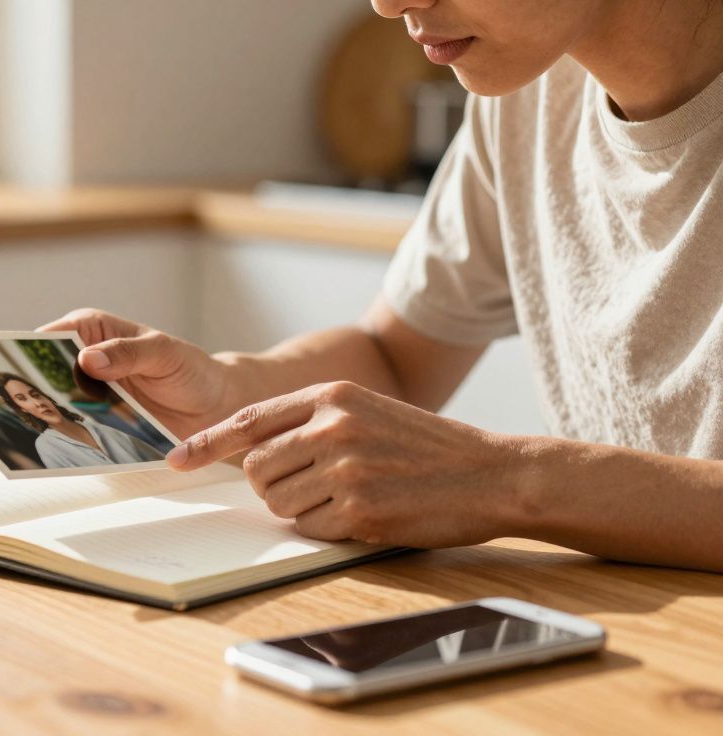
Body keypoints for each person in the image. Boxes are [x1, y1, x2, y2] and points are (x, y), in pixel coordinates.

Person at [42, 0, 723, 573]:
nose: (388, 3)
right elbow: (394, 357)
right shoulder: (530, 102)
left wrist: (507, 479)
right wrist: (229, 395)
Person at [0, 372, 165, 469]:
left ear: (46, 397)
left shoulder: (97, 428)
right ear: (21, 408)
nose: (37, 403)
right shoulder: (47, 446)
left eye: (36, 395)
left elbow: (156, 457)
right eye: (22, 399)